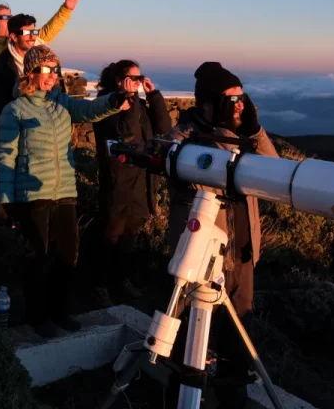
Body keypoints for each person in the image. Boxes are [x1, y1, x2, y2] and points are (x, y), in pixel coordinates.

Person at [163, 62, 279, 408]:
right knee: (186, 332)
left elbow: (275, 170)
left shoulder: (247, 136)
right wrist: (225, 143)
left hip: (241, 251)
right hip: (200, 257)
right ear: (208, 104)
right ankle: (180, 392)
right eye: (231, 99)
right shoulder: (184, 139)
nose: (239, 105)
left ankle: (233, 395)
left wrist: (255, 131)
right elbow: (188, 172)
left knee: (238, 330)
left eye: (242, 97)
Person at [0, 45, 131, 338]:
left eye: (54, 70)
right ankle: (37, 315)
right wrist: (5, 200)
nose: (51, 76)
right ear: (30, 72)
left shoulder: (62, 103)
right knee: (38, 257)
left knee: (68, 255)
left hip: (65, 191)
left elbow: (89, 109)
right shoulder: (15, 109)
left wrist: (115, 99)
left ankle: (61, 310)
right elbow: (6, 156)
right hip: (33, 194)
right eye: (44, 70)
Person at [0, 0, 83, 222]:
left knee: (13, 169)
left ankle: (9, 218)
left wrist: (66, 9)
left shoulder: (29, 47)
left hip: (20, 119)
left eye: (10, 15)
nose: (7, 19)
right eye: (2, 16)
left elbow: (47, 30)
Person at [91, 60, 172, 307]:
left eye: (140, 78)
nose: (137, 83)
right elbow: (125, 132)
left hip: (140, 176)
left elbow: (164, 129)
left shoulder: (139, 103)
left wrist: (154, 96)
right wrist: (128, 99)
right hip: (118, 177)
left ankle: (120, 281)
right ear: (119, 80)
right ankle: (99, 285)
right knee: (111, 232)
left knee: (129, 234)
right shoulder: (107, 104)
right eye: (133, 79)